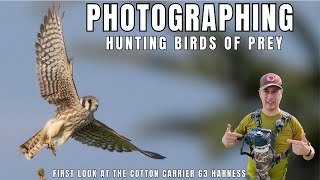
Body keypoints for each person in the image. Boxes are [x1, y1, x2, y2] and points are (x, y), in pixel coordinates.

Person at [222, 73, 315, 180]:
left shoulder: (291, 122)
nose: (270, 96)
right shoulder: (250, 119)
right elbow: (231, 141)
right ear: (260, 93)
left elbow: (310, 152)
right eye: (266, 91)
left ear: (281, 93)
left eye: (275, 91)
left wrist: (307, 151)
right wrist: (225, 139)